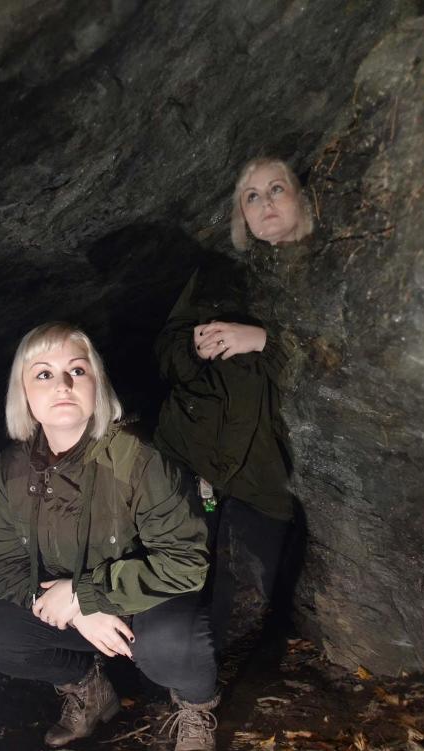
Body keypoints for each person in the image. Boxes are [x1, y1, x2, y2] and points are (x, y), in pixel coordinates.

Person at [0, 321, 219, 751]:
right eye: (43, 373)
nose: (62, 384)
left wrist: (88, 594)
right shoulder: (12, 467)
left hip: (145, 598)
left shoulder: (139, 457)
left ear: (96, 385)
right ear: (23, 394)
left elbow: (185, 562)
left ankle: (197, 705)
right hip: (74, 602)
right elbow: (2, 563)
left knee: (168, 647)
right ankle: (87, 687)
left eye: (77, 370)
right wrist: (76, 606)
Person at [154, 157, 315, 652]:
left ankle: (208, 675)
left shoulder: (321, 271)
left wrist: (261, 338)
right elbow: (167, 352)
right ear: (240, 216)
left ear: (301, 198)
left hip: (258, 469)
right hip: (192, 449)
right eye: (252, 196)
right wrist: (194, 349)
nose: (265, 203)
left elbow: (334, 365)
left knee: (256, 588)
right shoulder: (218, 276)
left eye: (276, 189)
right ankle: (186, 684)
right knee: (182, 578)